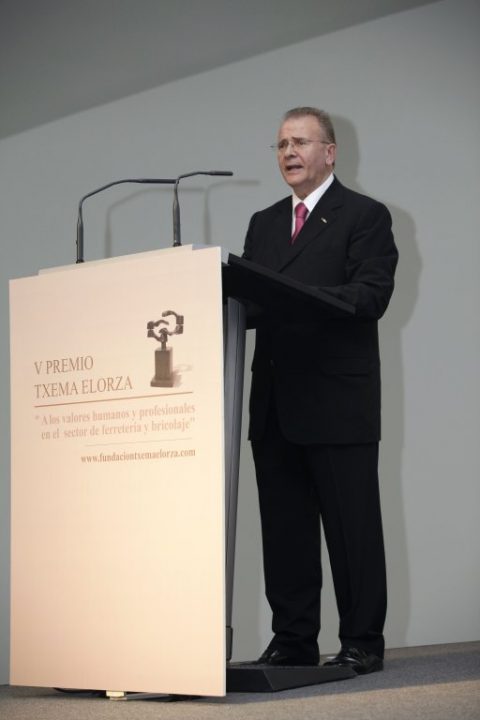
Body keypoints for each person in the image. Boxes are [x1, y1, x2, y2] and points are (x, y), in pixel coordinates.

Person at [242, 107, 398, 674]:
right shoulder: (263, 222)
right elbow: (249, 298)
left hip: (337, 400)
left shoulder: (364, 215)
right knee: (285, 531)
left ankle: (362, 641)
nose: (289, 152)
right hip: (276, 401)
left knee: (352, 529)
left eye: (301, 142)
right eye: (281, 143)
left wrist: (304, 297)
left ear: (329, 153)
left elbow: (371, 294)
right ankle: (293, 640)